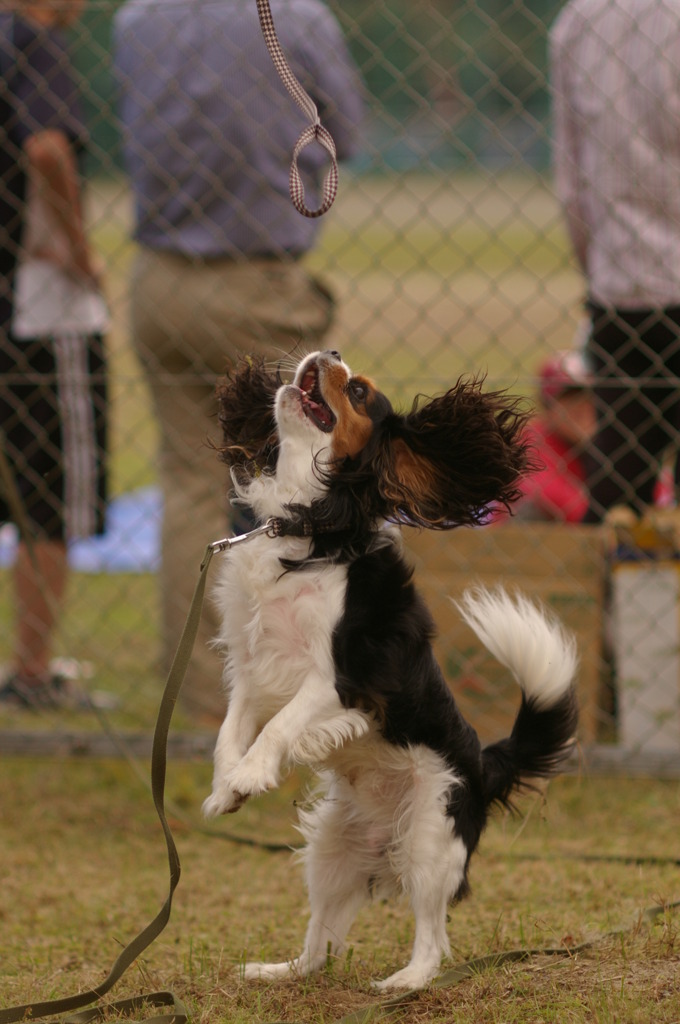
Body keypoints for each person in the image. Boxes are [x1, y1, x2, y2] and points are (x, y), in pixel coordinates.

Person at [113, 0, 363, 721]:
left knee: (191, 486)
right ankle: (299, 685)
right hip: (256, 278)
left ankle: (198, 698)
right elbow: (344, 127)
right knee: (303, 484)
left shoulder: (137, 19)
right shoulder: (293, 17)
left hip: (160, 280)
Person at [0, 1, 109, 708]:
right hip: (41, 311)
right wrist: (78, 247)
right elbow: (45, 147)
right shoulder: (31, 42)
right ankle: (32, 671)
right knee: (51, 495)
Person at [550, 0, 680, 524]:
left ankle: (614, 597)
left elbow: (571, 182)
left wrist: (599, 270)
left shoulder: (580, 20)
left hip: (625, 288)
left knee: (621, 474)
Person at [513, 350, 595, 523]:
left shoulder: (609, 440)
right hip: (519, 541)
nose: (583, 405)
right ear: (548, 407)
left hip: (583, 535)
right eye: (570, 398)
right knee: (533, 511)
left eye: (590, 396)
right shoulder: (532, 440)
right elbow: (558, 500)